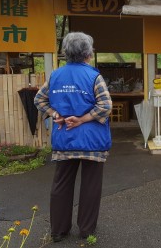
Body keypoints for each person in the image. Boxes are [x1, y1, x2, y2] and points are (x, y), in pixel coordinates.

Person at [34, 32, 112, 241]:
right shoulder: (94, 76)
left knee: (61, 184)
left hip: (64, 139)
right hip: (92, 142)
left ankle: (58, 231)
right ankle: (86, 230)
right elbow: (105, 106)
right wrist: (83, 119)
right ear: (88, 53)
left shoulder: (55, 75)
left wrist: (55, 114)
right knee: (90, 186)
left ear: (66, 53)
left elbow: (39, 100)